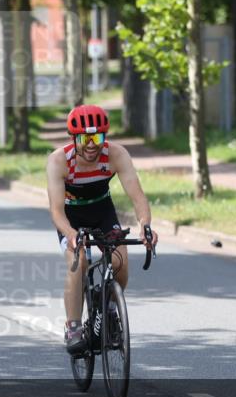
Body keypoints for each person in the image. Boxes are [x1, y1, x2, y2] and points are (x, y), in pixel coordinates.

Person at [45, 105, 156, 354]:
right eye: (85, 139)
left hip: (102, 211)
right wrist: (71, 235)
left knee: (120, 261)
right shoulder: (59, 161)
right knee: (79, 261)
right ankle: (73, 327)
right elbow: (56, 211)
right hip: (71, 216)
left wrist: (145, 226)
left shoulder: (116, 154)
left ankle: (110, 309)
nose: (91, 145)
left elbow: (137, 197)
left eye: (97, 138)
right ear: (74, 138)